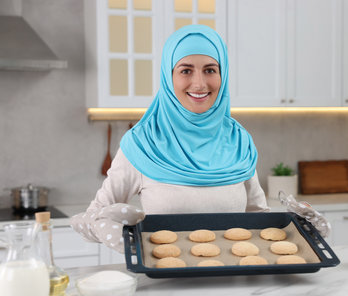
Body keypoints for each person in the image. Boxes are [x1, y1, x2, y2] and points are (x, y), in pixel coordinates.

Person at [70, 25, 269, 253]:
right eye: (186, 71)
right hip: (165, 282)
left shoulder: (238, 140)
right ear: (168, 76)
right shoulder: (143, 143)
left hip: (235, 280)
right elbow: (94, 217)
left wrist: (302, 227)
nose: (199, 84)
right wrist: (117, 233)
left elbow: (259, 217)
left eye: (210, 70)